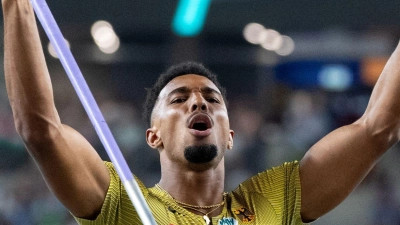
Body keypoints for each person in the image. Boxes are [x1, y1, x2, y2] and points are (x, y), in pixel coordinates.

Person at [3, 0, 400, 224]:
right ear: (153, 135)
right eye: (178, 100)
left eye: (212, 98)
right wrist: (15, 8)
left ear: (229, 134)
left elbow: (377, 128)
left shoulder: (273, 201)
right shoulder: (119, 202)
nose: (198, 101)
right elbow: (41, 131)